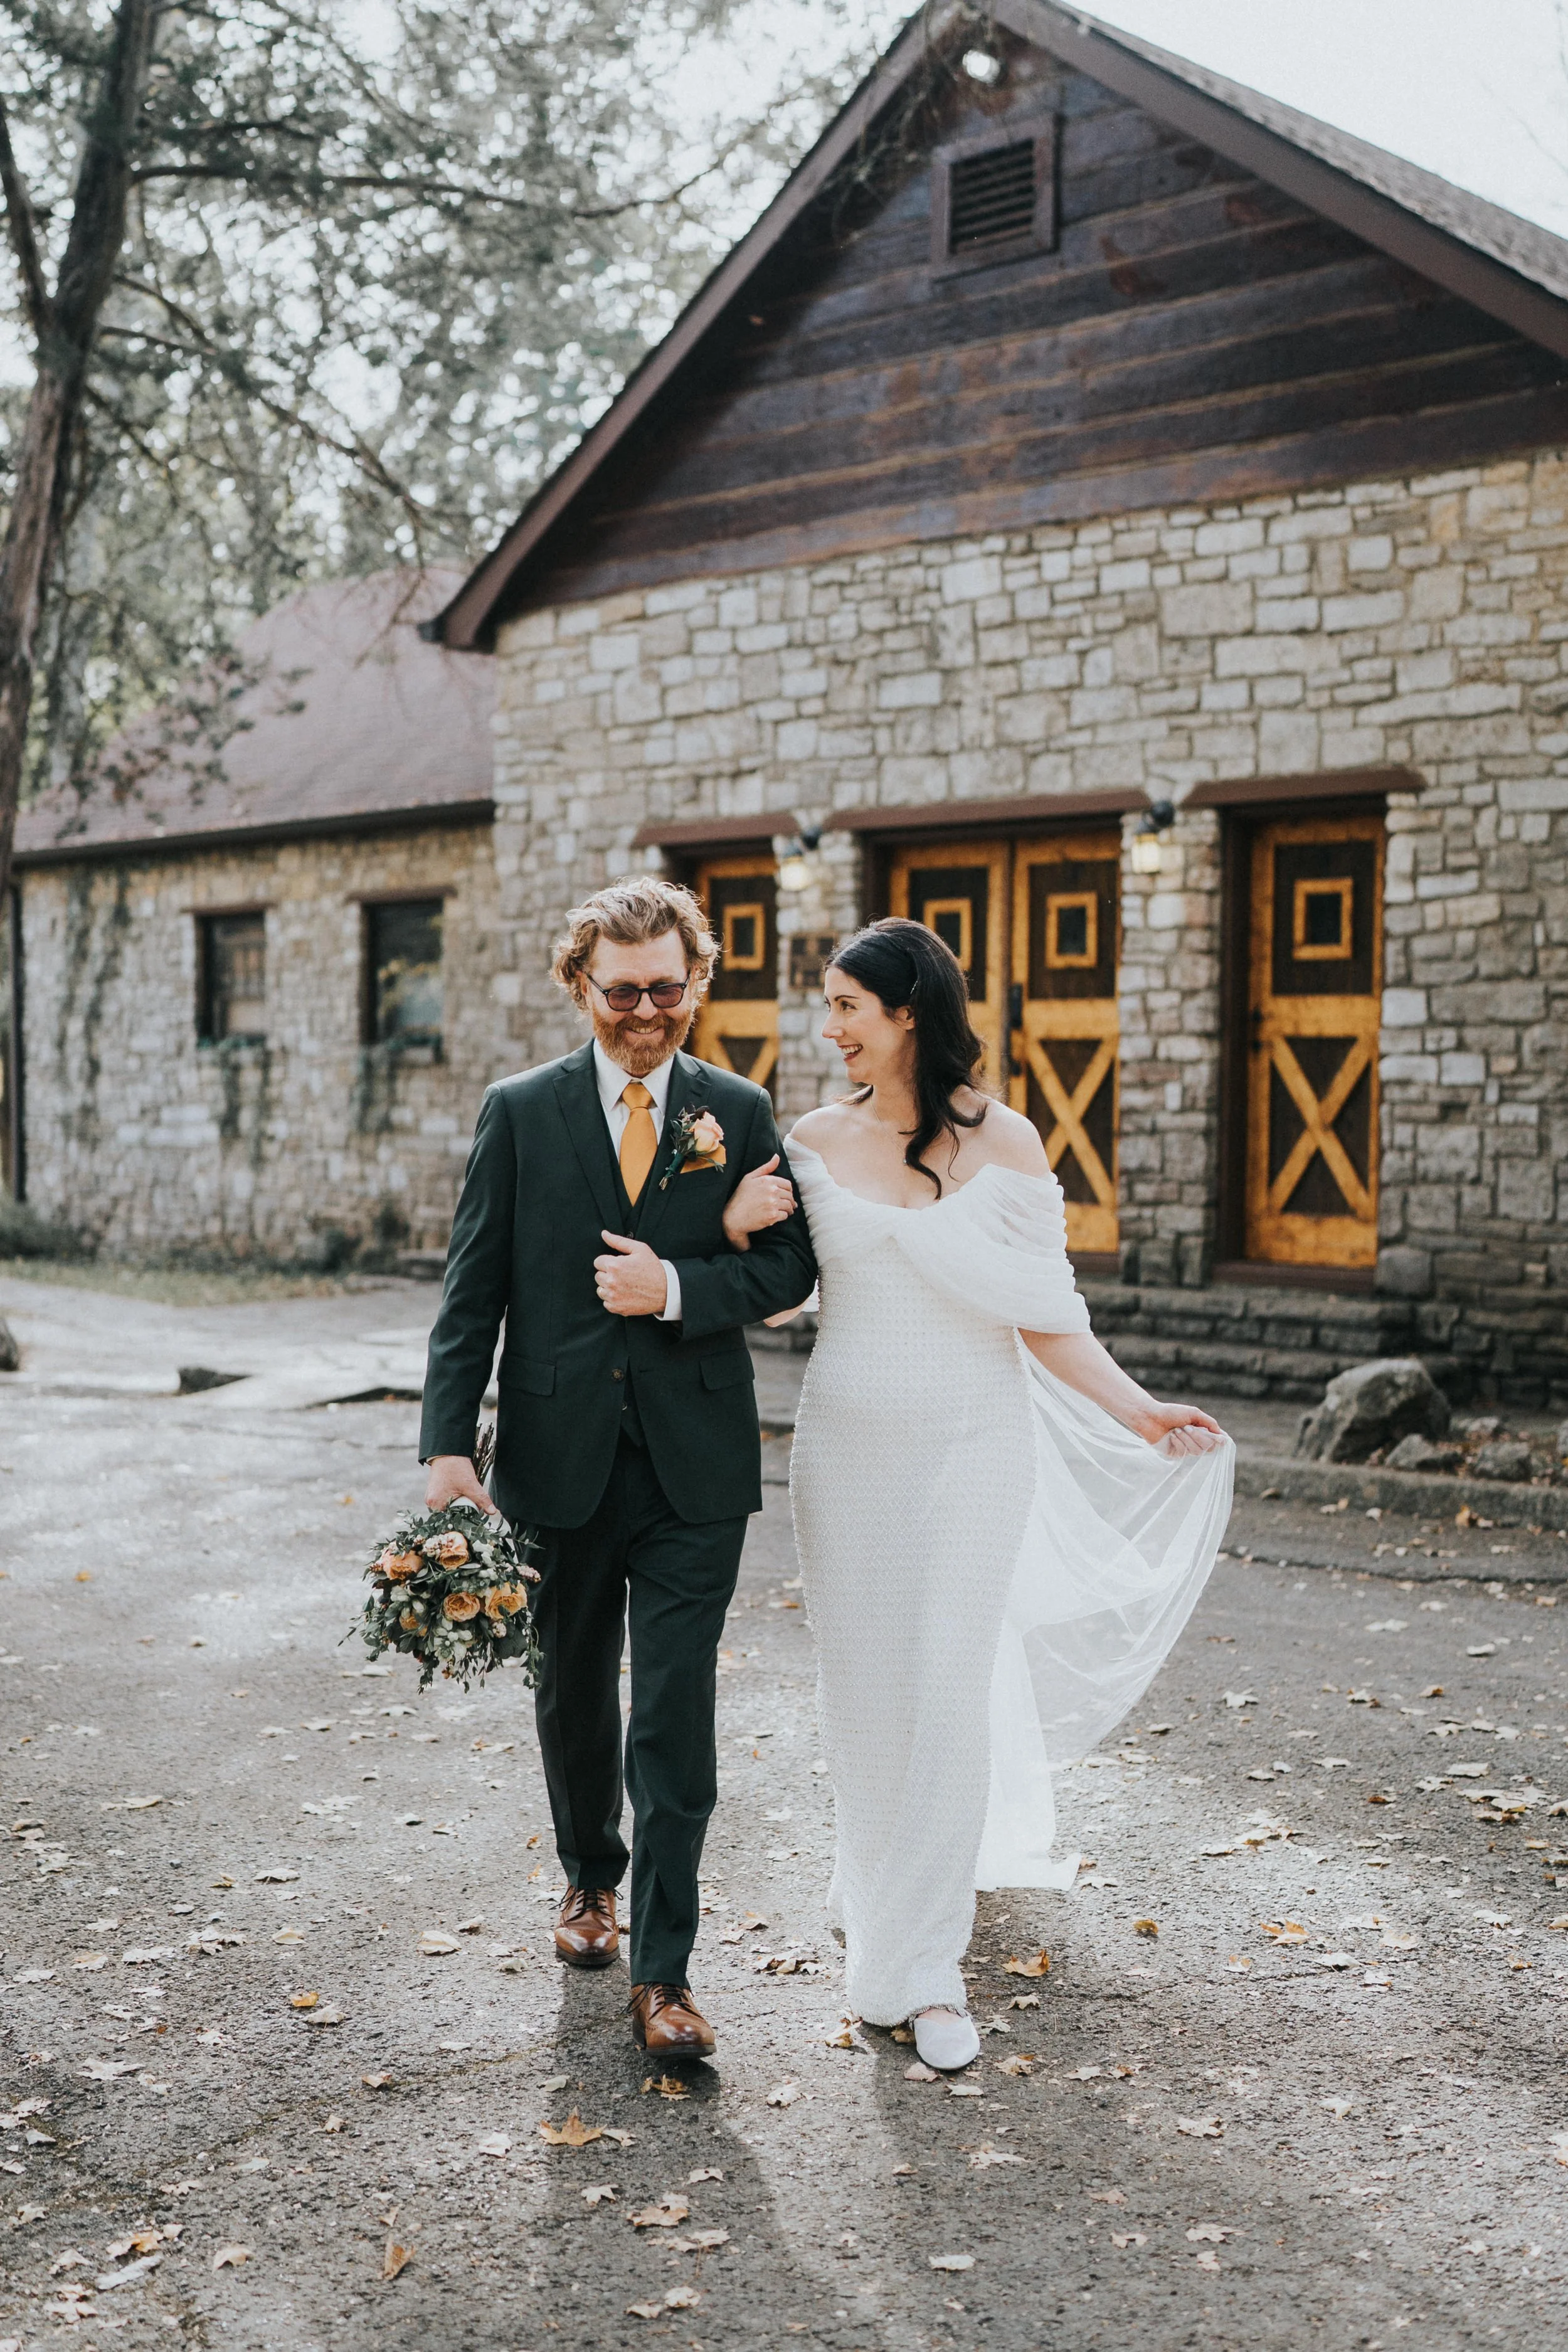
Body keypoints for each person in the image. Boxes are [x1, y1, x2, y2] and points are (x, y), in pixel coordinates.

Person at [721, 917, 1233, 2073]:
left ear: (907, 1012)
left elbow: (1048, 1314)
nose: (828, 1026)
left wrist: (1139, 1410)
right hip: (848, 1448)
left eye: (847, 1006)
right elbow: (770, 1299)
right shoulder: (803, 1138)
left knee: (948, 1685)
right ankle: (879, 1886)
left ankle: (922, 1970)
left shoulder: (1005, 1142)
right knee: (868, 1692)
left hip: (976, 1442)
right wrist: (727, 1224)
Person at [419, 877, 815, 2060]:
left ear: (697, 981)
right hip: (559, 1456)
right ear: (580, 986)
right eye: (622, 990)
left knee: (677, 1715)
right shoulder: (522, 1111)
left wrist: (685, 1281)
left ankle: (667, 1972)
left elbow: (792, 1267)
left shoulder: (738, 1111)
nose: (647, 1011)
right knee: (576, 1691)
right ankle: (591, 1873)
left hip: (697, 1465)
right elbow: (471, 1290)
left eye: (667, 986)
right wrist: (447, 1445)